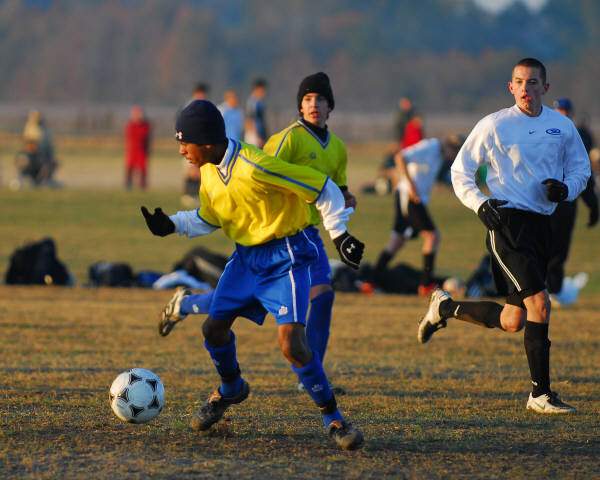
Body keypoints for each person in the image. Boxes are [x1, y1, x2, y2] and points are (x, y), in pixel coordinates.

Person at [141, 99, 365, 450]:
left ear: (207, 142)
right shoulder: (209, 170)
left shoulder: (254, 165)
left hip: (286, 256)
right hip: (246, 259)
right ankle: (231, 388)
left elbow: (322, 187)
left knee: (292, 346)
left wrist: (340, 235)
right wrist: (170, 224)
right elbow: (209, 218)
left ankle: (334, 419)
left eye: (185, 142)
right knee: (213, 330)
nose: (181, 150)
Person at [157, 72, 355, 395]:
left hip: (307, 235)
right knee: (244, 304)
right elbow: (264, 176)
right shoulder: (288, 140)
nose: (314, 105)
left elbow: (337, 188)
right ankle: (188, 304)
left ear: (330, 105)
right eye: (307, 99)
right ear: (299, 106)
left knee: (322, 297)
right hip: (278, 237)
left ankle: (311, 376)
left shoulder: (337, 148)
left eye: (320, 99)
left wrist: (345, 203)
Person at [418, 58, 590, 414]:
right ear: (511, 87)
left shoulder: (561, 126)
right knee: (540, 304)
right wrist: (479, 204)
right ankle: (540, 395)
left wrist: (566, 189)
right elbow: (460, 171)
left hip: (543, 226)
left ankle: (444, 307)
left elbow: (581, 169)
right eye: (519, 82)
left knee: (514, 320)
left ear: (545, 87)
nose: (526, 88)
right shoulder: (494, 125)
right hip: (507, 224)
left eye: (533, 82)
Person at [371, 135, 464, 296]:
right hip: (410, 196)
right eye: (455, 154)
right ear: (450, 147)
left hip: (413, 197)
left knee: (398, 240)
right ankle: (426, 284)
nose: (453, 158)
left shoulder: (441, 156)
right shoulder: (430, 146)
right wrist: (411, 186)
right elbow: (400, 158)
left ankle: (371, 281)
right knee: (432, 236)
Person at [546, 98, 598, 305]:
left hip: (566, 201)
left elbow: (583, 173)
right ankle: (534, 290)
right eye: (560, 110)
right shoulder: (542, 133)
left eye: (566, 110)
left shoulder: (577, 136)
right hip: (542, 200)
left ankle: (554, 291)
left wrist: (592, 204)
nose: (564, 114)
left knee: (559, 248)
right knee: (539, 247)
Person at [181, 83, 210, 205]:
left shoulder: (206, 107)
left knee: (199, 170)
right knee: (190, 169)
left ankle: (196, 194)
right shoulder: (189, 107)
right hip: (190, 142)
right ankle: (187, 194)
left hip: (201, 143)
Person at [124, 106, 152, 190]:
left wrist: (148, 149)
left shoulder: (145, 125)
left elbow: (146, 137)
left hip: (142, 150)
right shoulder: (130, 125)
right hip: (132, 149)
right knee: (129, 167)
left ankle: (143, 185)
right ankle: (128, 185)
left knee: (143, 168)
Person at [245, 78, 268, 147]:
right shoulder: (253, 102)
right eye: (263, 90)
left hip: (259, 135)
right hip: (254, 137)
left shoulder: (259, 102)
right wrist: (257, 137)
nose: (264, 92)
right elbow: (250, 120)